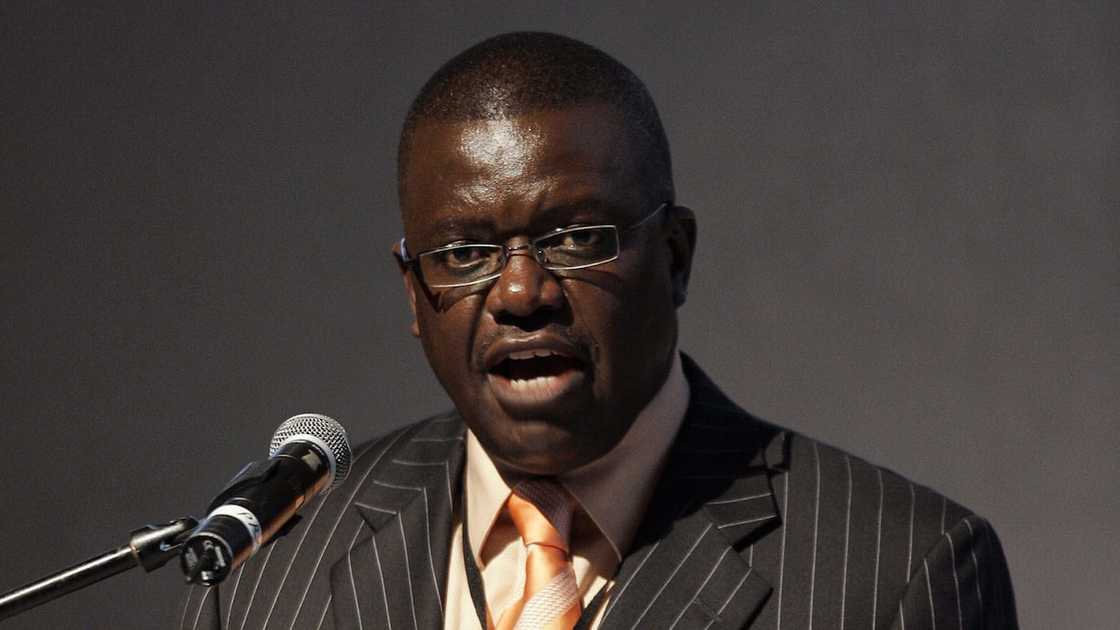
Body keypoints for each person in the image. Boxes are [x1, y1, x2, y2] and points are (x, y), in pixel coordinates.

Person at [178, 32, 1017, 630]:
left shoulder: (899, 577)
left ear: (676, 257)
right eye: (466, 251)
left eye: (575, 238)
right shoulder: (265, 564)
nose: (519, 292)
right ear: (413, 290)